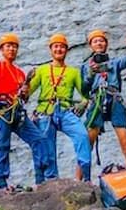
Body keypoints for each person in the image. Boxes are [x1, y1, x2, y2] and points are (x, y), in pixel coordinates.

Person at [0, 32, 51, 190]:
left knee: (39, 139)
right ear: (2, 49)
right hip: (1, 110)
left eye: (14, 46)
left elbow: (24, 98)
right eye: (8, 46)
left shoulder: (20, 73)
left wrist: (25, 90)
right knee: (2, 145)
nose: (12, 49)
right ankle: (2, 183)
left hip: (17, 111)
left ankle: (40, 179)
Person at [28, 33, 92, 181]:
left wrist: (84, 103)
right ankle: (50, 182)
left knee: (82, 135)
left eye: (62, 47)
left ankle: (86, 176)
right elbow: (28, 92)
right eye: (56, 46)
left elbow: (85, 94)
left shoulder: (73, 72)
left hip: (65, 111)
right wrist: (24, 86)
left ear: (66, 50)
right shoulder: (42, 70)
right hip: (45, 111)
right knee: (47, 148)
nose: (59, 49)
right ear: (51, 50)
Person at [81, 28, 126, 170]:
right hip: (96, 101)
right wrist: (90, 74)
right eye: (95, 41)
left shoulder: (114, 63)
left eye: (101, 41)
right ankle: (78, 181)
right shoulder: (85, 67)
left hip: (114, 100)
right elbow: (84, 89)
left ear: (106, 44)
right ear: (91, 46)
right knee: (87, 144)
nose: (99, 43)